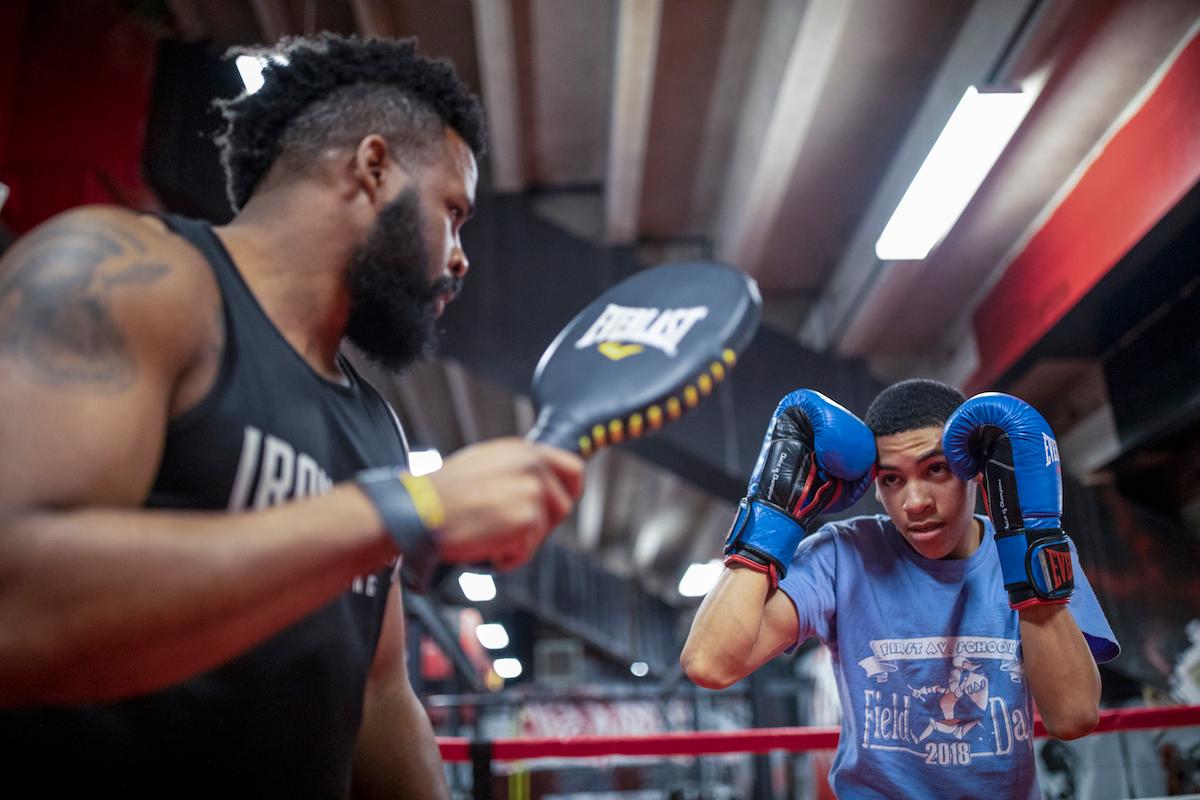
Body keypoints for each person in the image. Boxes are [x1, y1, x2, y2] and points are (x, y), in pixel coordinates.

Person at [0, 34, 584, 797]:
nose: (462, 255)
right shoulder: (131, 277)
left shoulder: (376, 427)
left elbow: (378, 694)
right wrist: (407, 509)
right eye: (455, 210)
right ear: (373, 167)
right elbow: (15, 597)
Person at [681, 379, 1118, 799]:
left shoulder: (1038, 556)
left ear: (977, 473)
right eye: (892, 479)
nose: (914, 502)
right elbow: (710, 664)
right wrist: (772, 517)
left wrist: (1026, 544)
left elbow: (1073, 716)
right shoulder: (843, 556)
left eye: (936, 469)